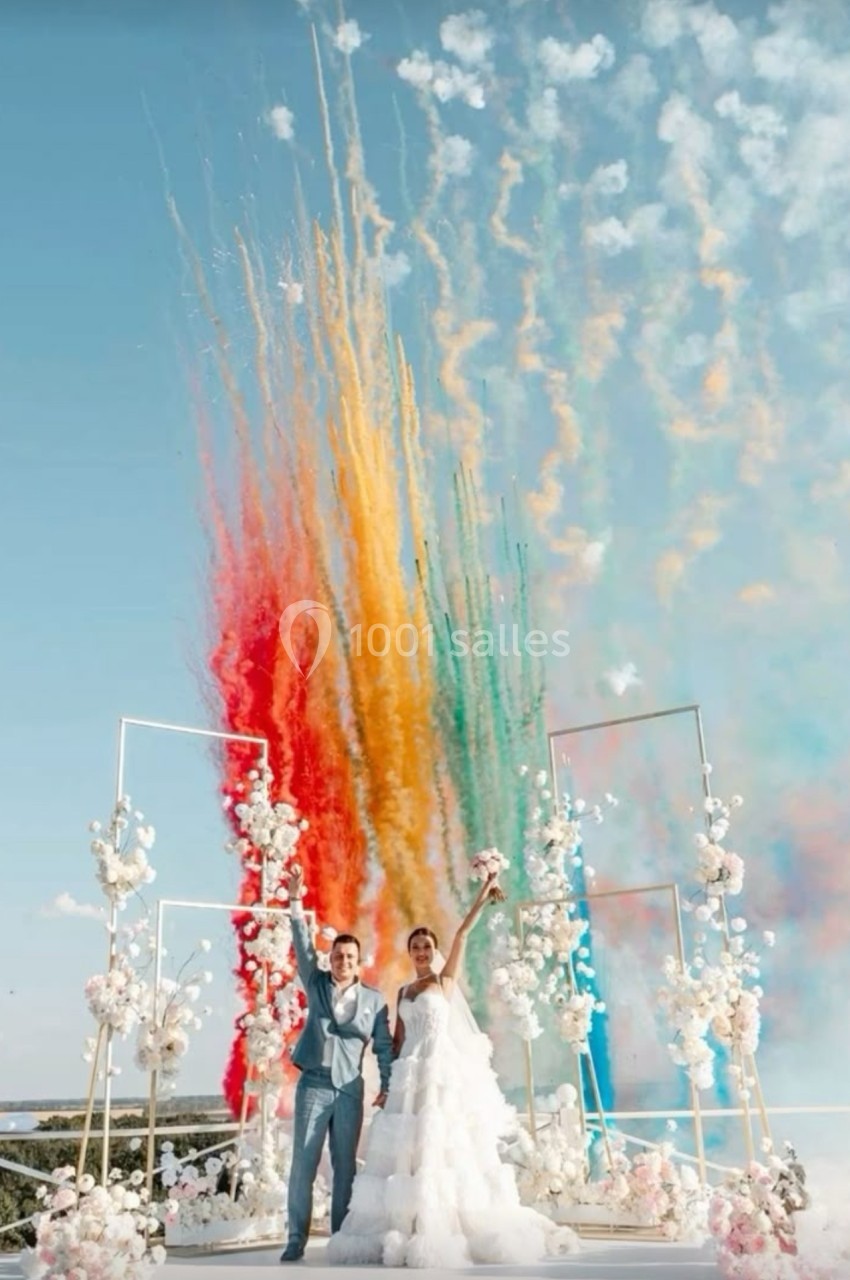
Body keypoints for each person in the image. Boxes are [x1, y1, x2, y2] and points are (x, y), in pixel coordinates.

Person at [326, 873, 579, 1267]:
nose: (422, 951)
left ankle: (443, 1223)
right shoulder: (404, 992)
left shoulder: (444, 983)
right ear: (410, 952)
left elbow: (462, 934)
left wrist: (483, 892)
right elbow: (395, 1041)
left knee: (443, 1147)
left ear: (434, 950)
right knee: (406, 1154)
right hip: (411, 1075)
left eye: (427, 946)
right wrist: (387, 1085)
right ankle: (406, 1223)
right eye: (416, 947)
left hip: (440, 1072)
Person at [280, 864, 394, 1263]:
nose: (343, 960)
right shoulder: (316, 983)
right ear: (330, 960)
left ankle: (341, 1236)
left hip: (349, 1089)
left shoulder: (375, 1000)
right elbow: (301, 945)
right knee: (304, 1162)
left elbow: (383, 1047)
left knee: (345, 1165)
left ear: (359, 961)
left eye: (350, 956)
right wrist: (295, 900)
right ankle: (295, 1238)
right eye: (338, 955)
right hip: (313, 1082)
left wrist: (388, 1085)